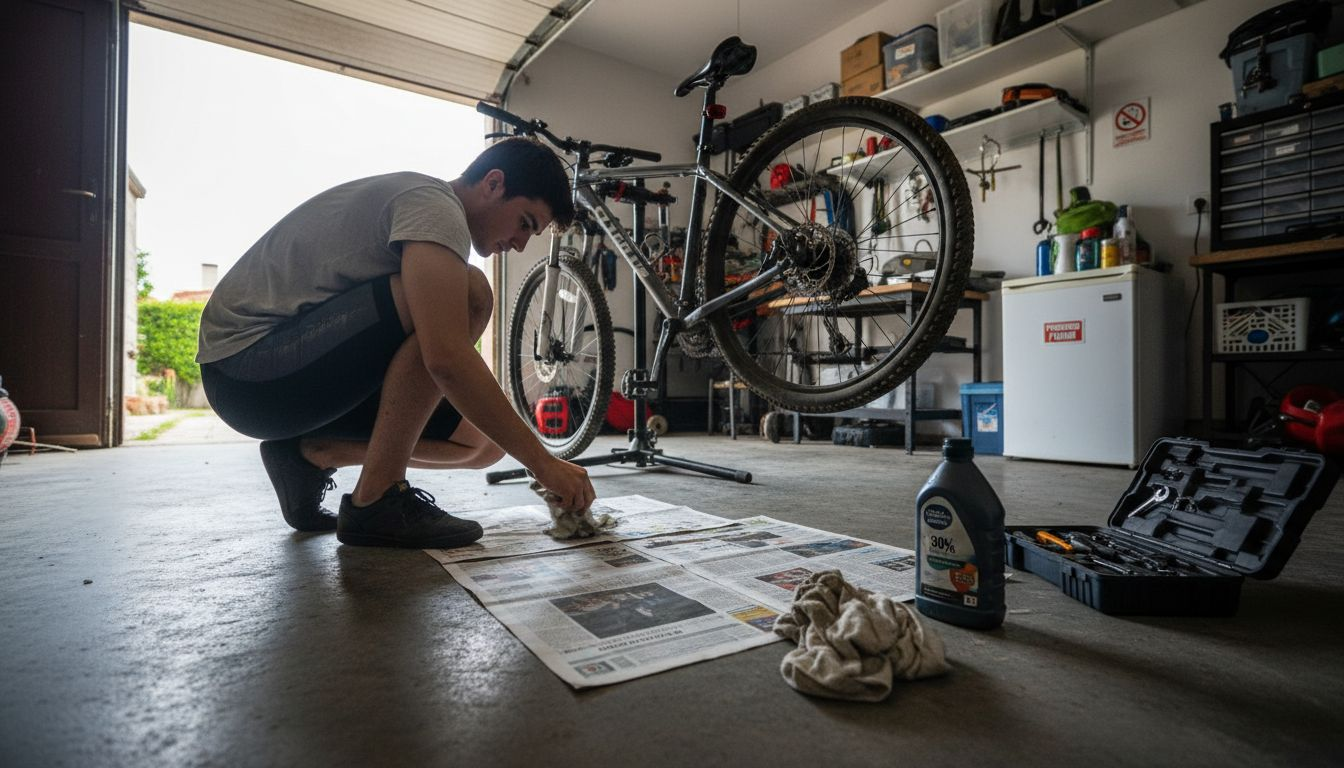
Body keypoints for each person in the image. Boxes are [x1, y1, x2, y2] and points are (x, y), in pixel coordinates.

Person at [196, 137, 596, 549]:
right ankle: (377, 499)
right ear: (493, 184)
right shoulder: (434, 205)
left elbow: (442, 360)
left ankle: (312, 455)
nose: (520, 243)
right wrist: (543, 463)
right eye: (525, 223)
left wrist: (530, 456)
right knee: (469, 293)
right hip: (246, 371)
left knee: (482, 444)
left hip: (288, 380)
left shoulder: (433, 211)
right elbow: (446, 359)